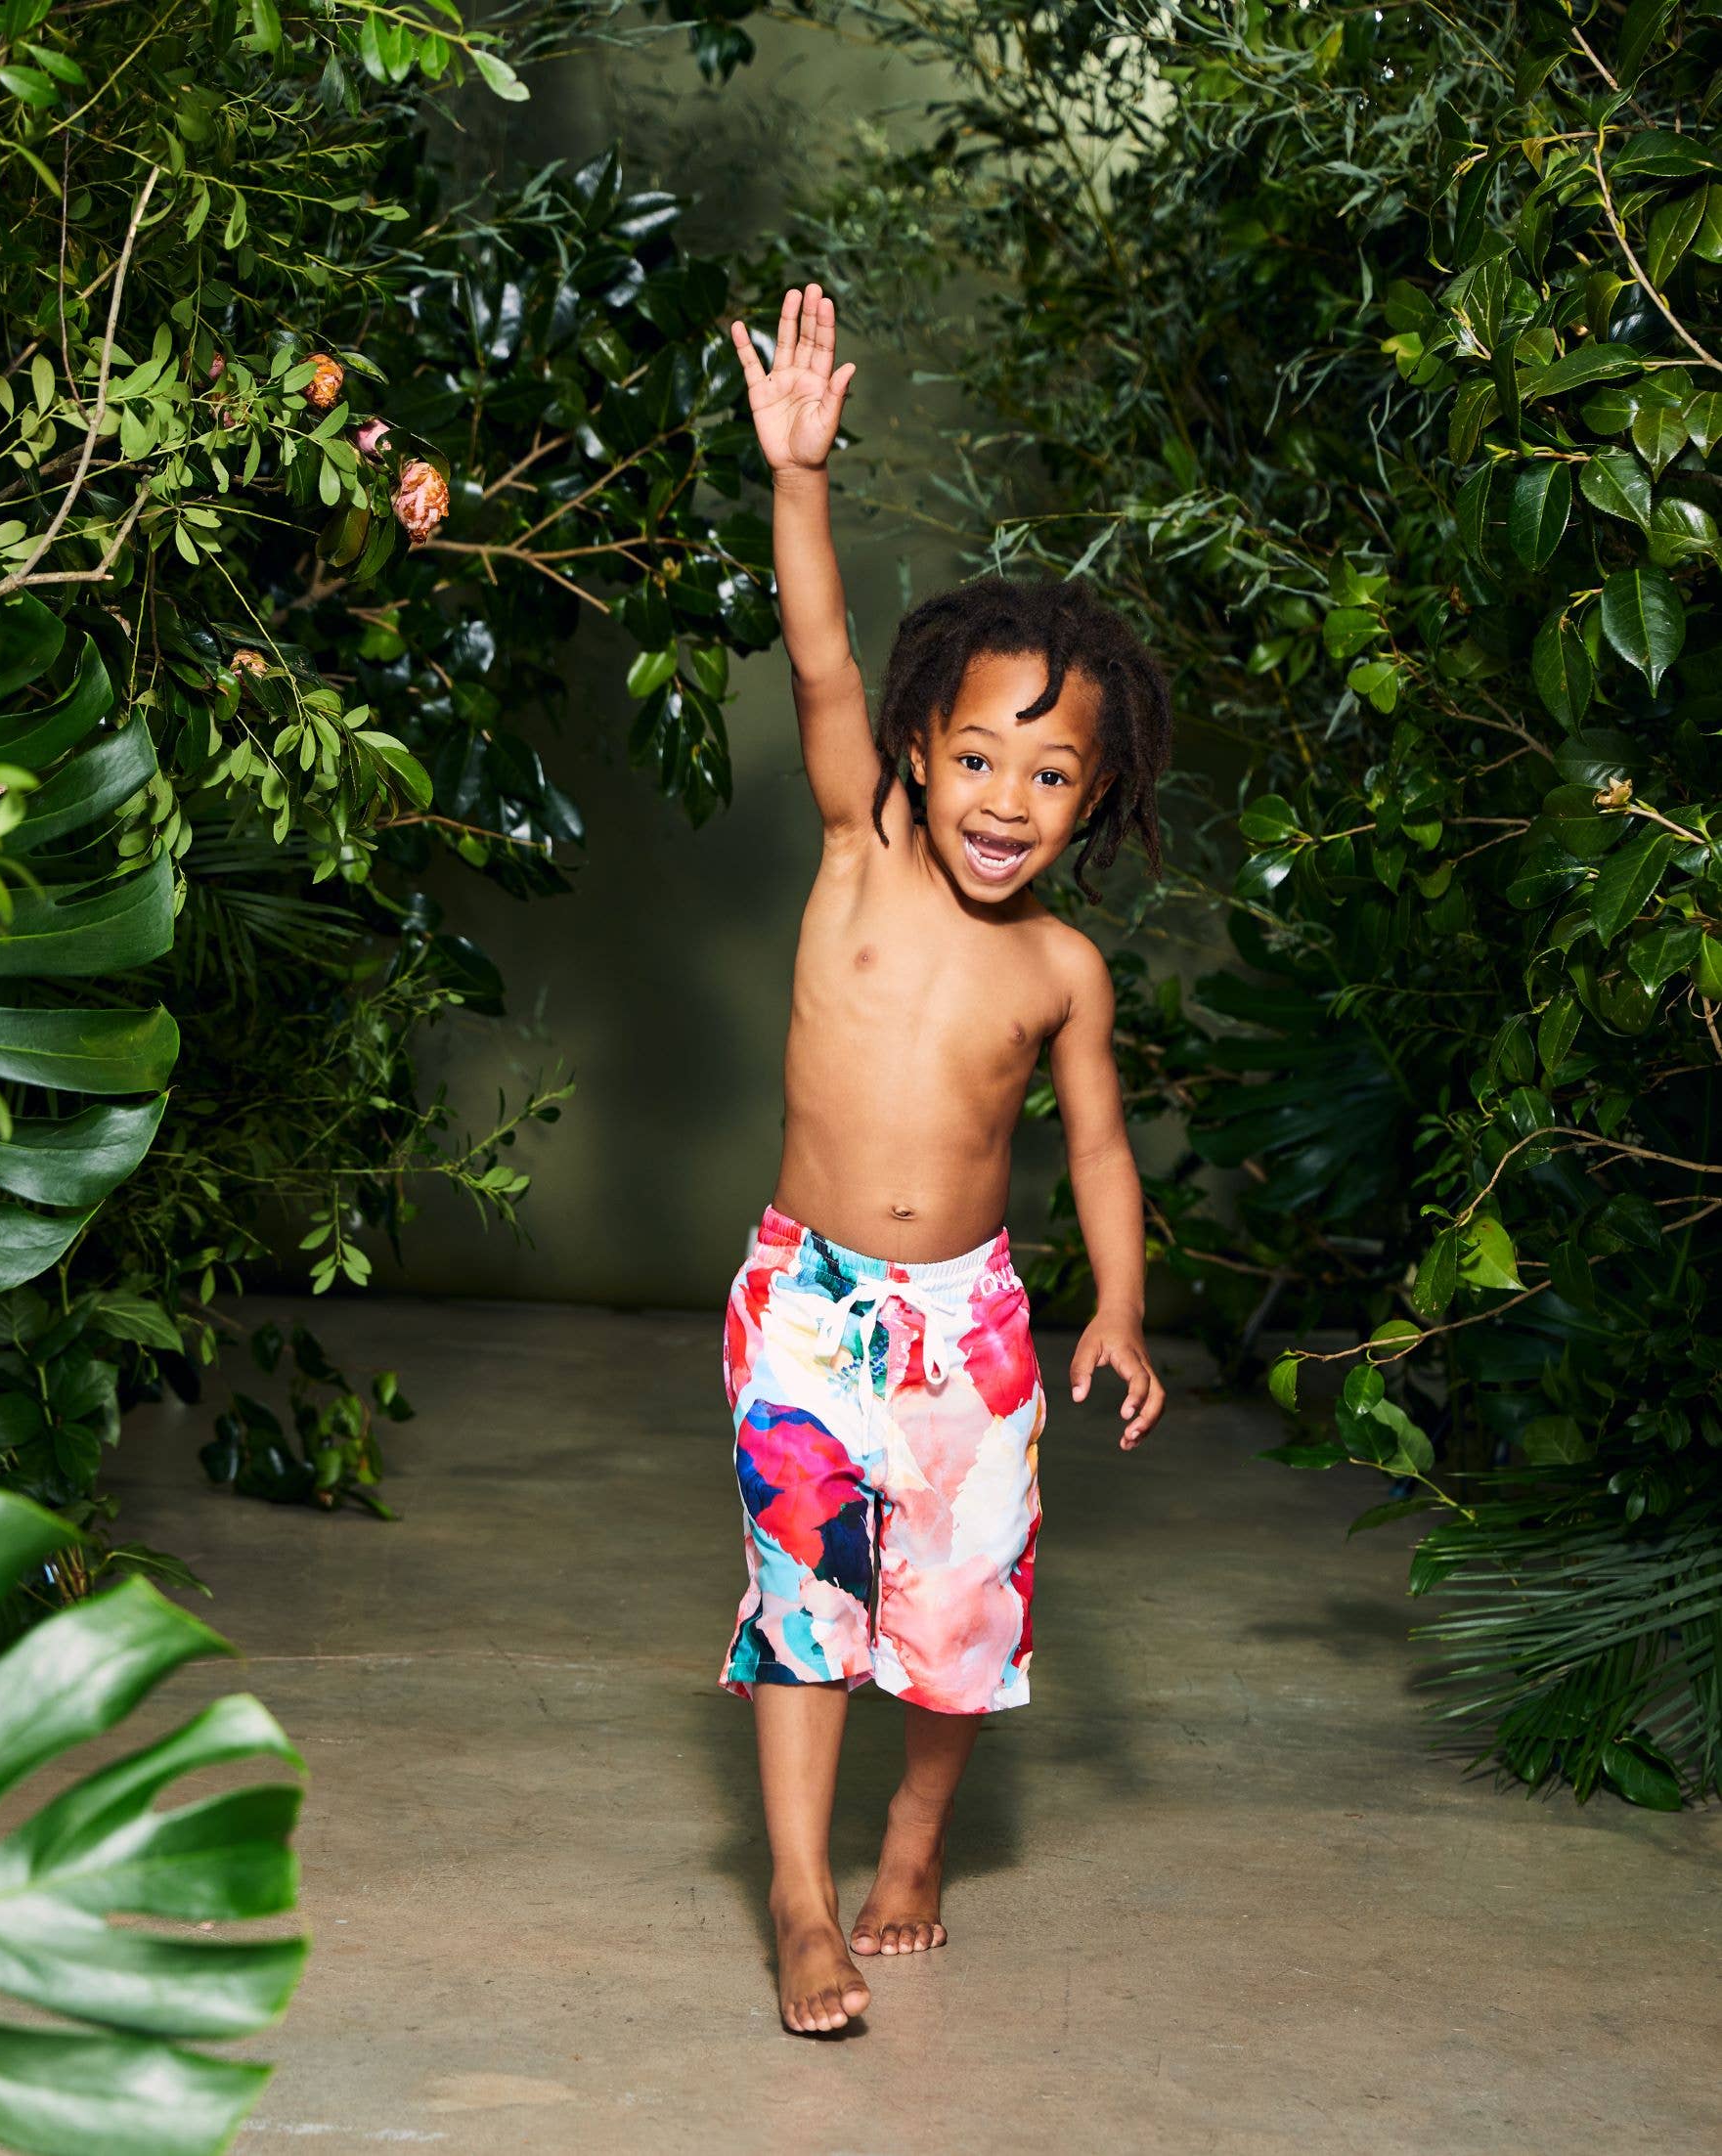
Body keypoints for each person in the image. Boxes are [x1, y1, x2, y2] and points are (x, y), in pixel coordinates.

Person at [721, 283, 1171, 2037]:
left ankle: (912, 1843)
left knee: (958, 1608)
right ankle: (795, 1894)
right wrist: (799, 478)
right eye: (975, 754)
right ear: (915, 744)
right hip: (805, 1302)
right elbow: (820, 651)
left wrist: (1116, 1305)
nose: (1001, 796)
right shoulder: (858, 848)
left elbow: (1100, 1146)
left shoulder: (1061, 969)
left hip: (970, 1325)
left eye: (1048, 775)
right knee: (803, 1598)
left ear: (1094, 797)